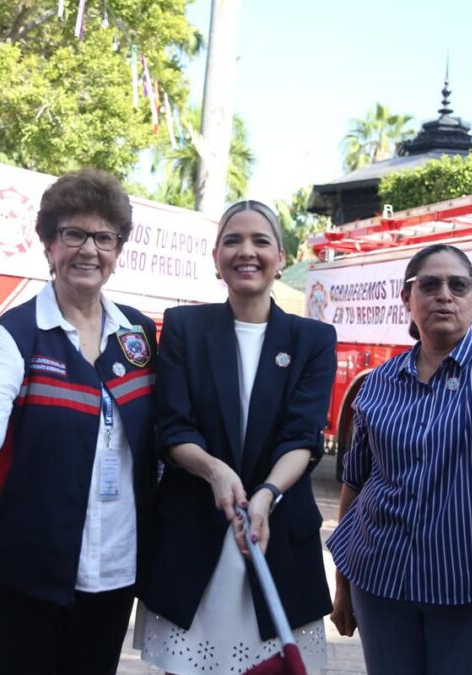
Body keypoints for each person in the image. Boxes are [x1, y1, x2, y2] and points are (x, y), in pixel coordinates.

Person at [0, 168, 158, 675]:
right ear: (48, 244)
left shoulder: (140, 336)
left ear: (118, 250)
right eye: (73, 234)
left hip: (114, 570)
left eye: (104, 237)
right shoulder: (16, 335)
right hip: (25, 569)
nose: (89, 249)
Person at [136, 200, 337, 673]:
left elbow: (302, 437)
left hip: (277, 536)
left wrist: (267, 494)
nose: (247, 252)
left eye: (260, 240)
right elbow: (174, 425)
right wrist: (215, 470)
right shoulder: (186, 327)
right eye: (233, 240)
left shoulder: (313, 339)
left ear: (281, 257)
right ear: (216, 257)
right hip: (195, 536)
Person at [326, 242, 472, 675]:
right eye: (430, 284)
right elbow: (356, 481)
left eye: (458, 285)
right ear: (408, 298)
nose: (445, 294)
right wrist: (343, 586)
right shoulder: (381, 381)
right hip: (380, 578)